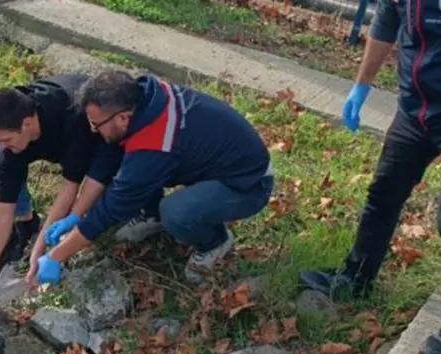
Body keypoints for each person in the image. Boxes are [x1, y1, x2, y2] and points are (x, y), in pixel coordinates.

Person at [294, 0, 441, 354]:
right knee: (383, 194)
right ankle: (356, 277)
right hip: (417, 112)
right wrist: (362, 84)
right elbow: (388, 17)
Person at [37, 70, 274, 284]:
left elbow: (112, 208)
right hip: (210, 160)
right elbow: (110, 153)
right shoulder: (143, 96)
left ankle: (215, 241)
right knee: (128, 169)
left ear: (122, 118)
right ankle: (152, 214)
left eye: (96, 124)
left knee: (176, 212)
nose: (92, 129)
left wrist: (56, 256)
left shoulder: (154, 144)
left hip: (248, 183)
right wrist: (76, 215)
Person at [0, 73, 120, 296]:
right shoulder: (12, 128)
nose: (3, 148)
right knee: (2, 154)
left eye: (6, 140)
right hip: (39, 133)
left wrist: (39, 250)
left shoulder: (74, 122)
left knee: (105, 179)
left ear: (27, 124)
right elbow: (2, 212)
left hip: (91, 130)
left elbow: (69, 190)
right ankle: (26, 220)